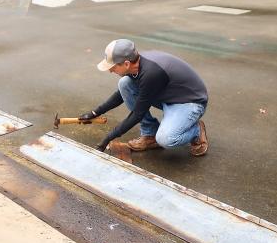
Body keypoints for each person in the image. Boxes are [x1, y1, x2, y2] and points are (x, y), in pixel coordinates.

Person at [79, 39, 209, 156]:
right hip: (167, 95)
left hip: (189, 102)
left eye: (113, 67)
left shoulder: (151, 73)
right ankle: (150, 134)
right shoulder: (136, 64)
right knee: (124, 84)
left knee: (166, 139)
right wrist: (94, 112)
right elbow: (120, 95)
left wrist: (108, 138)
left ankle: (196, 130)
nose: (110, 71)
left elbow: (137, 114)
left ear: (126, 64)